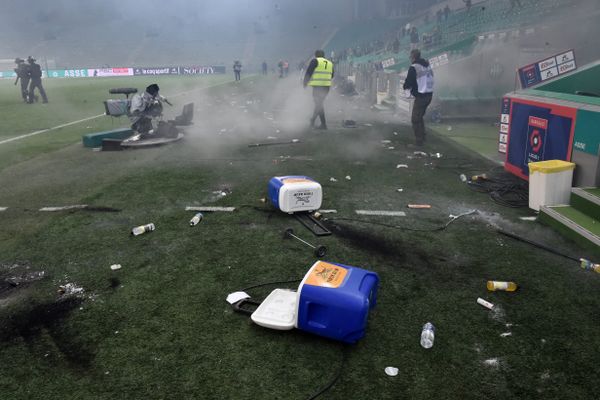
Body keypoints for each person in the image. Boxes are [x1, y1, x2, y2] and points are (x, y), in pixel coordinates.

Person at [403, 49, 434, 146]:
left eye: (410, 57)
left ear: (413, 57)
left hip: (422, 95)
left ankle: (419, 141)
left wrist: (406, 87)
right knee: (419, 117)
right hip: (429, 94)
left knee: (415, 119)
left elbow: (409, 81)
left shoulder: (414, 67)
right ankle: (423, 136)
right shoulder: (427, 65)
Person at [303, 49, 334, 130]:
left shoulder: (315, 61)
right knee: (319, 104)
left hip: (317, 87)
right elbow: (332, 74)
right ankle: (313, 121)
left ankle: (323, 124)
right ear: (323, 55)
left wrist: (305, 82)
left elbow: (309, 72)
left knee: (319, 104)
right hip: (326, 87)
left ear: (316, 55)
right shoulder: (330, 63)